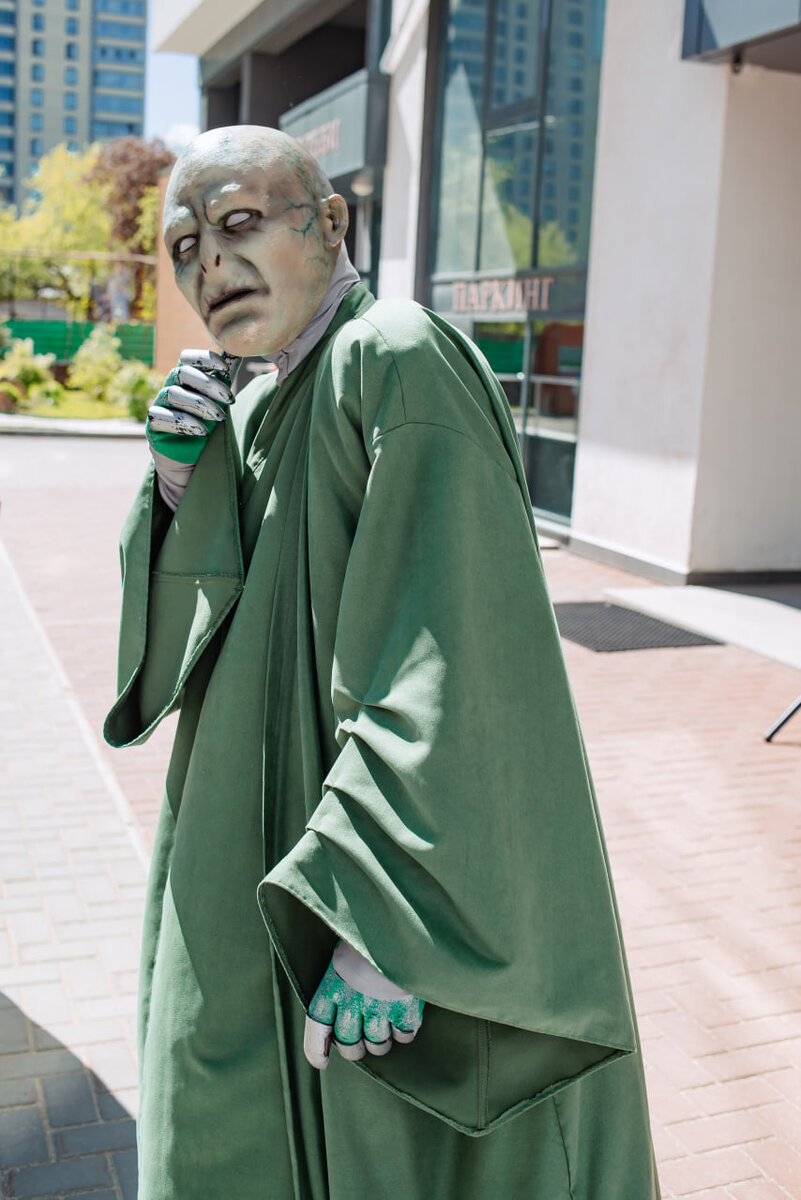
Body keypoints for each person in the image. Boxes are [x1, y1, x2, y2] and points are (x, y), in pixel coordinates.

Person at [105, 125, 660, 1200]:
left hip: (361, 897)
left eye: (238, 222)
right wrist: (178, 488)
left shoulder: (394, 353)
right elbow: (195, 646)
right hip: (248, 866)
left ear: (332, 222)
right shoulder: (257, 401)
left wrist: (386, 917)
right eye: (184, 247)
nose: (211, 264)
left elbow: (456, 652)